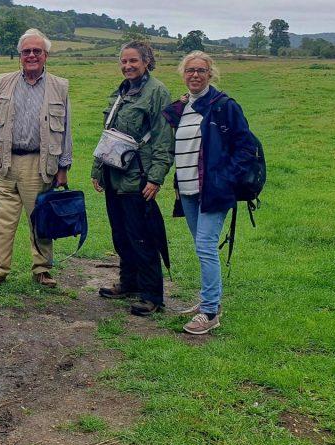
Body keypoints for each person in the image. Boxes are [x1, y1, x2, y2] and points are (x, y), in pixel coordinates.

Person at [162, 51, 255, 334]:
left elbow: (246, 148)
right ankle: (208, 299)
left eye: (201, 70)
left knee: (204, 245)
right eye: (190, 70)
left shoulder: (223, 106)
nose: (195, 75)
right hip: (188, 189)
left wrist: (225, 179)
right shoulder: (182, 108)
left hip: (213, 191)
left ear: (210, 73)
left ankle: (211, 310)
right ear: (183, 73)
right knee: (203, 246)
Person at [0, 29, 72, 288]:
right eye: (26, 51)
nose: (31, 55)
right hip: (4, 162)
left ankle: (42, 270)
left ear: (46, 56)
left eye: (37, 51)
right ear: (19, 56)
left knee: (40, 220)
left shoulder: (60, 86)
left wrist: (63, 167)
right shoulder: (3, 82)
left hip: (40, 164)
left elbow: (67, 130)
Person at [93, 41, 174, 316]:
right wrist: (97, 170)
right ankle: (128, 282)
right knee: (121, 234)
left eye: (134, 61)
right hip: (114, 175)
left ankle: (152, 295)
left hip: (138, 177)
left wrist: (156, 178)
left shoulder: (157, 92)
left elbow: (164, 138)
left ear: (147, 62)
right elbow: (109, 133)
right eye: (124, 61)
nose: (128, 66)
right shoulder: (122, 91)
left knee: (142, 237)